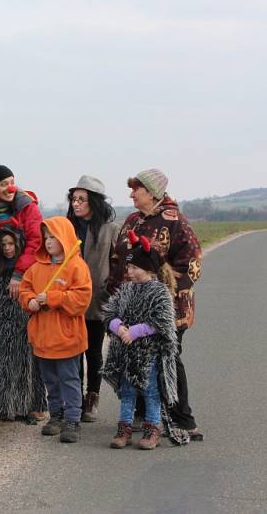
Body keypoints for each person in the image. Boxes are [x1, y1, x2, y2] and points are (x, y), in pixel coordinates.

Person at [107, 169, 203, 442]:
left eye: (135, 189)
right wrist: (114, 292)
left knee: (168, 360)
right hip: (130, 306)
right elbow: (118, 258)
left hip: (167, 309)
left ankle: (181, 418)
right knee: (133, 358)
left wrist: (163, 293)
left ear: (151, 192)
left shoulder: (176, 223)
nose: (131, 194)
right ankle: (144, 415)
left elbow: (193, 265)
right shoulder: (132, 221)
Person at [103, 230, 180, 449]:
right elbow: (109, 313)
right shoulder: (125, 290)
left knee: (151, 391)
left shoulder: (160, 292)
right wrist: (118, 328)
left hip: (149, 352)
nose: (129, 271)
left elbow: (162, 321)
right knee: (127, 391)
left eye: (134, 267)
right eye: (129, 267)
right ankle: (124, 428)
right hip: (126, 353)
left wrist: (134, 332)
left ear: (149, 270)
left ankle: (152, 429)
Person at [19, 216, 92, 443]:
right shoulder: (36, 267)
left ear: (65, 237)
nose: (48, 241)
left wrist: (52, 298)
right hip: (42, 337)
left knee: (69, 379)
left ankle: (72, 419)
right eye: (46, 237)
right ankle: (56, 415)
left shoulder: (77, 267)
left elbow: (82, 298)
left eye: (53, 237)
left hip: (67, 337)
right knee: (50, 379)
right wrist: (29, 300)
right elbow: (25, 289)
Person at [65, 175, 120, 422]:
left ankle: (92, 397)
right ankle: (75, 399)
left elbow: (117, 264)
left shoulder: (110, 229)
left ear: (94, 202)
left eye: (81, 199)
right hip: (70, 299)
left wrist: (111, 293)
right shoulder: (67, 228)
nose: (76, 204)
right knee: (73, 351)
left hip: (98, 300)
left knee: (94, 352)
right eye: (73, 199)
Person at [0, 228, 47, 421]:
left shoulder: (28, 267)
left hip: (23, 316)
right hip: (1, 317)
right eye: (3, 245)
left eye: (11, 244)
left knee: (25, 360)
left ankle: (28, 405)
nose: (8, 248)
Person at [0, 164, 43, 301]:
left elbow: (36, 241)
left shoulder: (28, 207)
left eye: (12, 182)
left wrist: (19, 273)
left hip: (26, 273)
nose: (11, 187)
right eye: (4, 184)